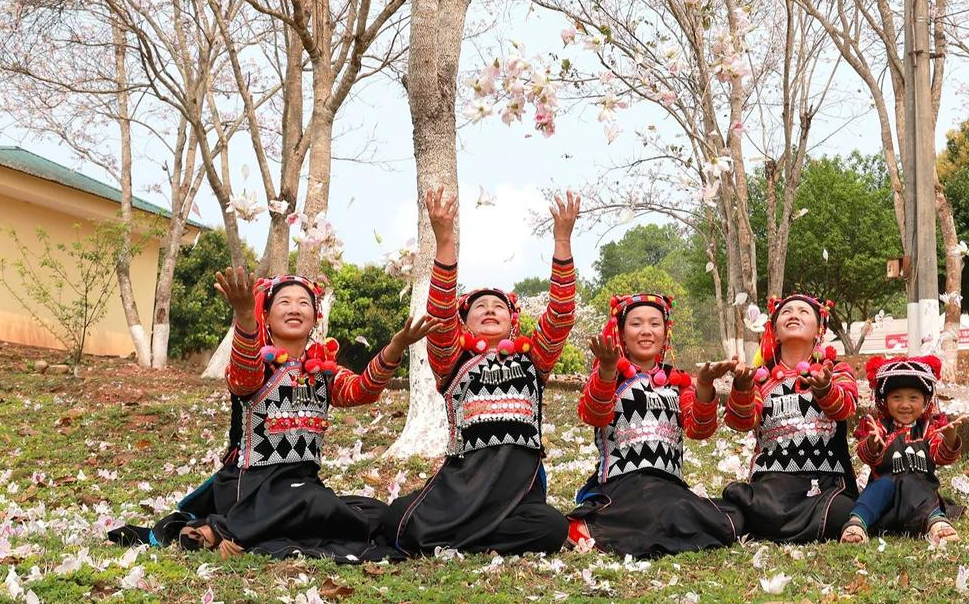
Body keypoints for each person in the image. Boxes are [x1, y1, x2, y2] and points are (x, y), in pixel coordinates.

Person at [179, 268, 444, 560]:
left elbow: (362, 391)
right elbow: (243, 376)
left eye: (303, 303)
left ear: (315, 316)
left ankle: (231, 529)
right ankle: (225, 530)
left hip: (303, 487)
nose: (295, 309)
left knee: (376, 513)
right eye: (284, 302)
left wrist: (395, 347)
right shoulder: (256, 366)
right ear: (265, 315)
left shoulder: (324, 372)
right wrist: (244, 315)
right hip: (251, 487)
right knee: (314, 503)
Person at [383, 188, 581, 556]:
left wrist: (562, 241)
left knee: (552, 527)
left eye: (498, 307)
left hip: (519, 493)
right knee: (397, 520)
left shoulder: (534, 359)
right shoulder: (452, 359)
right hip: (464, 487)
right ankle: (471, 534)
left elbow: (561, 315)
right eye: (480, 307)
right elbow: (440, 314)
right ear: (465, 322)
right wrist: (445, 240)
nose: (489, 310)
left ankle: (461, 538)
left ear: (512, 322)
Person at [568, 291, 739, 558]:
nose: (646, 331)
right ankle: (593, 526)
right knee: (666, 509)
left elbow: (699, 429)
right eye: (636, 324)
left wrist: (705, 385)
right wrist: (607, 369)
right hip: (623, 485)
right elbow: (593, 414)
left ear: (665, 332)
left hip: (669, 485)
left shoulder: (677, 381)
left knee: (722, 518)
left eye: (654, 323)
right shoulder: (609, 375)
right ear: (621, 332)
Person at [719, 293, 859, 542]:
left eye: (803, 312)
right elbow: (740, 422)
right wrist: (742, 387)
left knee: (841, 511)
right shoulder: (760, 378)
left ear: (819, 329)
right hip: (772, 485)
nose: (794, 315)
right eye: (786, 311)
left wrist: (826, 389)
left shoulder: (836, 370)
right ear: (774, 330)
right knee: (740, 508)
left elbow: (845, 409)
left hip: (824, 483)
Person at [841, 354, 969, 544]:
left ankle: (936, 522)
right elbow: (867, 455)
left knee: (916, 483)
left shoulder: (928, 430)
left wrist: (950, 439)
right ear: (885, 400)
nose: (905, 405)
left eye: (913, 398)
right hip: (886, 505)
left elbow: (941, 456)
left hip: (919, 504)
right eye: (896, 397)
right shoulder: (880, 428)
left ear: (926, 401)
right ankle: (857, 523)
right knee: (880, 486)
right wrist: (873, 443)